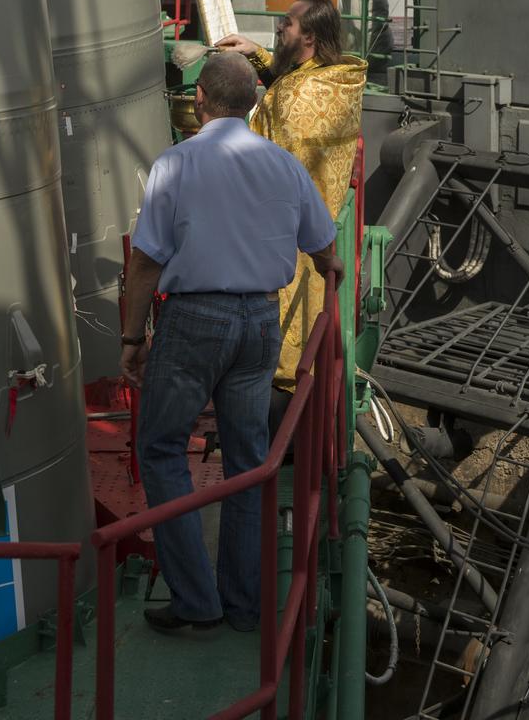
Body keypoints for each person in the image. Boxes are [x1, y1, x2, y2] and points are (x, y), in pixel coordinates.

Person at [121, 51, 343, 635]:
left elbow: (146, 261)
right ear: (253, 103)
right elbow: (325, 247)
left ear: (199, 100)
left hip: (196, 320)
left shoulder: (176, 163)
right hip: (260, 324)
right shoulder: (284, 165)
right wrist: (331, 277)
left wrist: (130, 338)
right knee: (250, 463)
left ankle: (195, 599)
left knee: (162, 448)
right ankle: (244, 604)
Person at [216, 0, 366, 391]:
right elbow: (292, 80)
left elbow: (261, 164)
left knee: (281, 352)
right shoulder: (335, 80)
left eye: (288, 23)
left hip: (285, 243)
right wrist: (258, 54)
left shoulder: (294, 98)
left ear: (310, 37)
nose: (280, 27)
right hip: (315, 233)